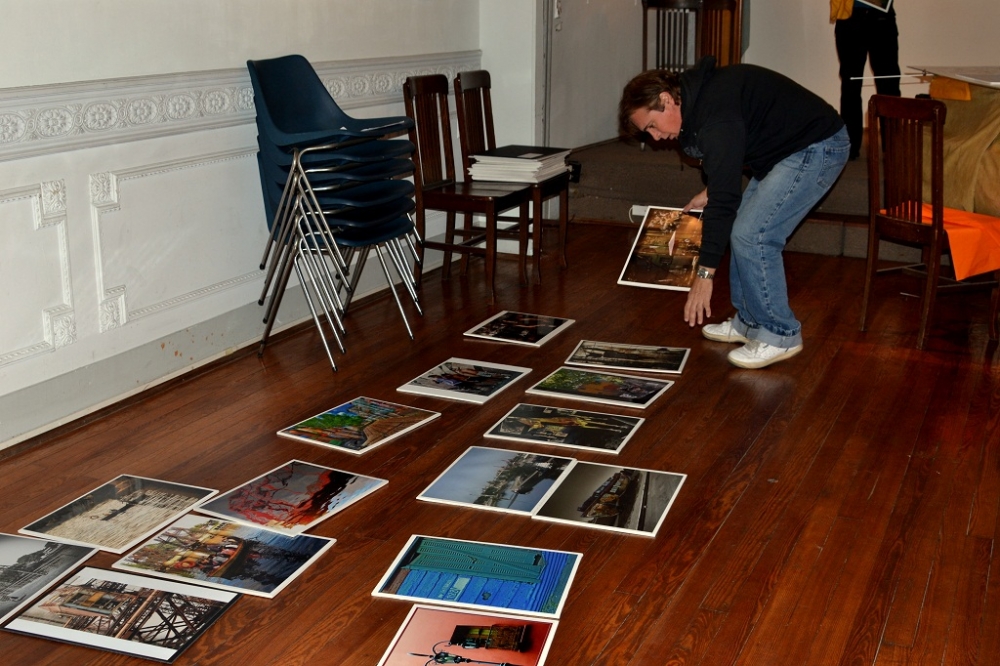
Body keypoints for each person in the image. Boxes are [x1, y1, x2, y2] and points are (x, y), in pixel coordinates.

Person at [618, 56, 850, 369]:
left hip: (817, 146)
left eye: (652, 127)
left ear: (666, 100)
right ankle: (751, 323)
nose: (656, 138)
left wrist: (704, 274)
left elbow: (726, 197)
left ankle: (781, 334)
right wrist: (711, 190)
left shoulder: (714, 114)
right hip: (783, 149)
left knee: (754, 235)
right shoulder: (698, 102)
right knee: (745, 230)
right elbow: (729, 156)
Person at [832, 0, 901, 159]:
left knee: (888, 84)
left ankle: (893, 145)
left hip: (881, 15)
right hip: (850, 17)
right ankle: (850, 147)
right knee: (851, 85)